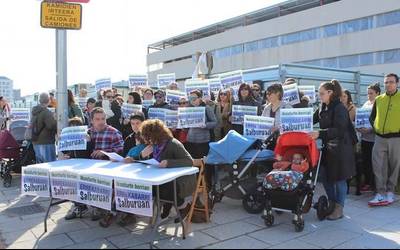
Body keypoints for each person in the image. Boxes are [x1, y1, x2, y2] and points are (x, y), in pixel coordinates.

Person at [309, 80, 356, 221]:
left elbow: (340, 130)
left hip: (341, 147)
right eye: (319, 93)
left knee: (339, 179)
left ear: (330, 93)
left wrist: (320, 133)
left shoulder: (340, 107)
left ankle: (339, 208)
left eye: (322, 93)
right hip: (328, 147)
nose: (319, 96)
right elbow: (310, 119)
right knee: (325, 176)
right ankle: (332, 202)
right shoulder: (322, 106)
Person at [139, 119, 195, 221]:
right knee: (146, 187)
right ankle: (166, 206)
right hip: (160, 178)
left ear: (157, 134)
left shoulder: (173, 143)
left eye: (150, 137)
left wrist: (168, 163)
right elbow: (151, 162)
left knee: (163, 189)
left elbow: (189, 161)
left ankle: (183, 206)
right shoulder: (155, 145)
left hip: (178, 181)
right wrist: (142, 156)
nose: (149, 140)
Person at [88, 107, 124, 227]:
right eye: (97, 119)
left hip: (110, 168)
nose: (101, 121)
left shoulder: (113, 132)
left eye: (103, 118)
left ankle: (111, 212)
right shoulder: (88, 132)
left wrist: (105, 152)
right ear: (92, 120)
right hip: (91, 168)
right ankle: (89, 207)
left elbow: (121, 151)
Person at [369, 73, 400, 206]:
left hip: (396, 138)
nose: (388, 84)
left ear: (397, 83)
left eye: (391, 82)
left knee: (394, 166)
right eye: (386, 82)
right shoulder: (379, 99)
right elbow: (372, 117)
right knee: (378, 165)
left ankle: (390, 192)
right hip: (379, 138)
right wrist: (376, 128)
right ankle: (380, 193)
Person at [61, 117, 94, 220]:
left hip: (85, 166)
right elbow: (66, 151)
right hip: (73, 166)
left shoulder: (87, 136)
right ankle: (78, 206)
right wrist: (61, 144)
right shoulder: (69, 138)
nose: (74, 129)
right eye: (72, 127)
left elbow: (90, 151)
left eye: (76, 127)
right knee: (73, 187)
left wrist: (88, 141)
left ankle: (92, 207)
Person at [356, 83, 381, 193]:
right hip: (365, 139)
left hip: (374, 139)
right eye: (368, 93)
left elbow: (379, 121)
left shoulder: (379, 104)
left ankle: (375, 184)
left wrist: (370, 130)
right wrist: (359, 127)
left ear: (378, 93)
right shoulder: (366, 103)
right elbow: (360, 118)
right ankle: (367, 183)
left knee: (375, 163)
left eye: (371, 93)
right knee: (366, 162)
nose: (369, 96)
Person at [186, 90, 217, 159]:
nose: (192, 100)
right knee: (195, 162)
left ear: (200, 98)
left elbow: (214, 122)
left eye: (194, 98)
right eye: (190, 98)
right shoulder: (188, 109)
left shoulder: (206, 108)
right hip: (191, 140)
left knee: (205, 163)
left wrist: (205, 125)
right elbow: (186, 127)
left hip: (203, 141)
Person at [31, 93, 57, 163]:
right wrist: (56, 120)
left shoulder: (34, 111)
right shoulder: (46, 112)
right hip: (46, 141)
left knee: (40, 166)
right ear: (48, 100)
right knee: (48, 165)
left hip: (36, 141)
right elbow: (51, 125)